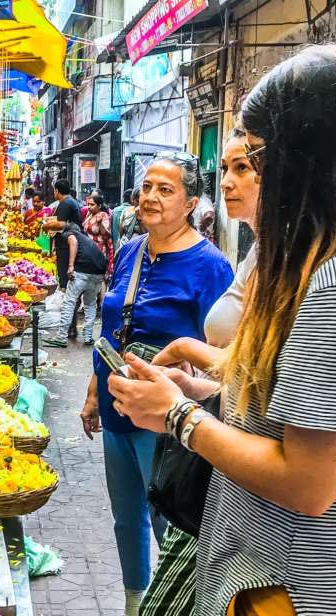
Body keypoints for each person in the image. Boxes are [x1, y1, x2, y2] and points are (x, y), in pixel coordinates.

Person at [108, 45, 336, 616]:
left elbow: (308, 481)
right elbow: (313, 418)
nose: (248, 175)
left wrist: (177, 416)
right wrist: (212, 393)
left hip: (314, 590)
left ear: (307, 160)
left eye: (258, 156)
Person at [80, 151, 233, 616]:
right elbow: (111, 329)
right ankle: (133, 603)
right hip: (115, 408)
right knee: (125, 518)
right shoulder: (130, 250)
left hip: (167, 419)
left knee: (166, 516)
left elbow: (224, 351)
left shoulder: (211, 266)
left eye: (165, 190)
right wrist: (92, 389)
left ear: (190, 204)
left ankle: (170, 606)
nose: (150, 197)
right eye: (146, 187)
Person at [135, 129, 260, 616]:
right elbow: (254, 372)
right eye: (226, 168)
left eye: (243, 168)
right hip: (203, 422)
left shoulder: (328, 272)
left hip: (225, 460)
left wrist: (183, 411)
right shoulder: (259, 253)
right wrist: (195, 387)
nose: (229, 181)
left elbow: (308, 474)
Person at [43, 218, 107, 347]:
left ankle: (61, 338)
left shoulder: (69, 234)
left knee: (69, 302)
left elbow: (73, 243)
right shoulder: (84, 237)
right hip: (98, 272)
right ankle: (88, 337)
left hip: (82, 271)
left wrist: (71, 266)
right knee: (90, 304)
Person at [84, 193, 114, 272]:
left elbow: (106, 235)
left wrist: (100, 223)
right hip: (88, 250)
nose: (89, 206)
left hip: (98, 250)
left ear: (99, 206)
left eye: (92, 204)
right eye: (88, 204)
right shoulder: (89, 215)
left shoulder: (103, 215)